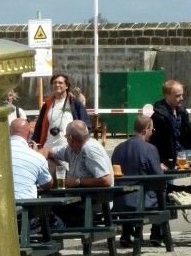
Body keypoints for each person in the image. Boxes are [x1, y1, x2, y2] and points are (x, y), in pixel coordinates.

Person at [44, 119, 113, 227]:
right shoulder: (72, 148)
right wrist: (38, 158)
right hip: (80, 199)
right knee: (49, 204)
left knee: (48, 209)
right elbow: (47, 151)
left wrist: (77, 181)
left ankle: (52, 237)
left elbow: (106, 179)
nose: (66, 140)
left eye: (66, 137)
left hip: (93, 202)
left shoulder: (89, 149)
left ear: (71, 138)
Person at [111, 115, 165, 246]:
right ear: (146, 129)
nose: (152, 133)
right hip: (141, 203)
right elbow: (159, 178)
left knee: (131, 192)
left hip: (120, 201)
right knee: (163, 194)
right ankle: (157, 234)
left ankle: (126, 233)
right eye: (152, 129)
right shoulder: (149, 148)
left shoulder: (118, 149)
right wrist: (160, 167)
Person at [32, 72, 91, 149]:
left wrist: (80, 144)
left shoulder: (75, 103)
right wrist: (35, 142)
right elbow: (39, 127)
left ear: (66, 86)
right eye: (55, 83)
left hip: (68, 148)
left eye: (60, 83)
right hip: (49, 147)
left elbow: (86, 126)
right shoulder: (47, 104)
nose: (57, 85)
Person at [149, 79, 191, 170]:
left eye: (182, 95)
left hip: (184, 157)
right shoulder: (158, 116)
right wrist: (158, 162)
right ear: (167, 96)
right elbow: (154, 141)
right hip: (166, 161)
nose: (182, 98)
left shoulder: (182, 112)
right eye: (177, 96)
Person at [9, 118, 52, 199]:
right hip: (25, 208)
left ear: (9, 132)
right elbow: (47, 184)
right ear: (29, 134)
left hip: (0, 208)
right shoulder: (37, 157)